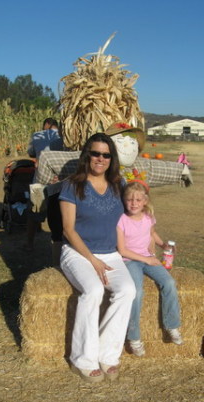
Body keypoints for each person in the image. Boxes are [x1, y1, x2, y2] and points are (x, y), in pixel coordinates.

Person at [59, 132, 136, 383]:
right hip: (78, 253)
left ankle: (107, 354)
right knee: (93, 291)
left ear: (111, 158)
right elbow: (68, 229)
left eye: (106, 154)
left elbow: (130, 218)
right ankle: (82, 359)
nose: (100, 159)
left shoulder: (118, 185)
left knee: (127, 290)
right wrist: (92, 261)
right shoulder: (73, 185)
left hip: (110, 253)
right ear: (87, 155)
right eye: (96, 153)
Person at [117, 180, 183, 357]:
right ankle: (134, 337)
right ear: (124, 200)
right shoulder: (121, 220)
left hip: (148, 258)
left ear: (145, 201)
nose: (134, 203)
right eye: (130, 199)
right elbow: (122, 250)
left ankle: (172, 326)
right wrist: (146, 259)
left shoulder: (148, 217)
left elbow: (151, 233)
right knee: (136, 292)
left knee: (169, 282)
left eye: (138, 200)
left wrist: (164, 245)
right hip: (129, 260)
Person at [26, 118, 63, 251]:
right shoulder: (65, 137)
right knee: (58, 215)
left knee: (35, 210)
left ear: (46, 125)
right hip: (59, 181)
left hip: (39, 180)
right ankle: (58, 243)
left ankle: (30, 244)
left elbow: (31, 153)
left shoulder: (37, 135)